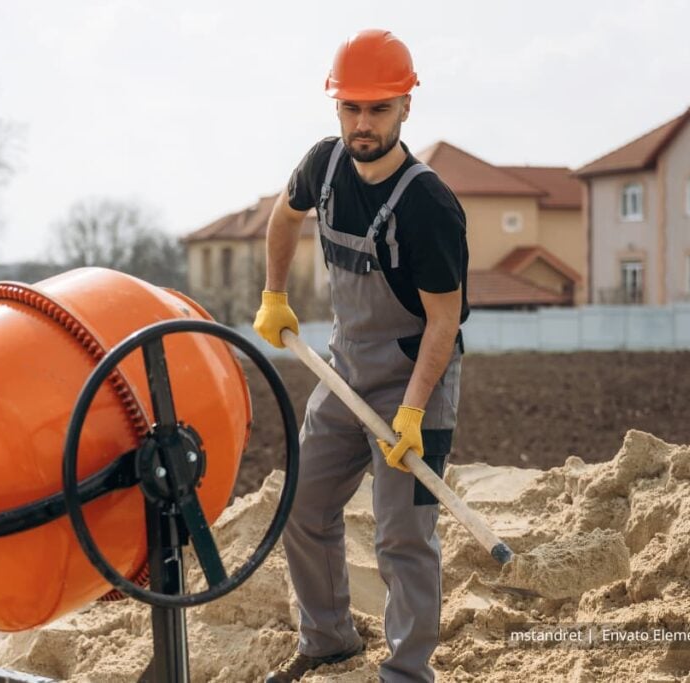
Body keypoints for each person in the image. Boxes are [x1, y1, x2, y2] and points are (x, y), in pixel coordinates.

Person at [252, 29, 470, 683]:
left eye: (378, 108)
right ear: (337, 107)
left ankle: (407, 671)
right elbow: (284, 219)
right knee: (303, 502)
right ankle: (327, 639)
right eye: (351, 108)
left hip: (416, 379)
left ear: (406, 106)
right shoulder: (323, 166)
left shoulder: (428, 206)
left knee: (401, 534)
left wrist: (409, 413)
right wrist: (274, 294)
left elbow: (443, 320)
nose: (363, 122)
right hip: (346, 369)